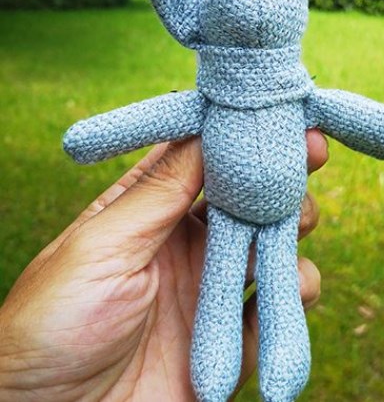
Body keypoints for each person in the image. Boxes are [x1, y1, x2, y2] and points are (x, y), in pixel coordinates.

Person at [0, 131, 328, 401]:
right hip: (226, 219)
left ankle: (275, 373)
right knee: (225, 288)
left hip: (275, 219)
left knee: (268, 286)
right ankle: (215, 377)